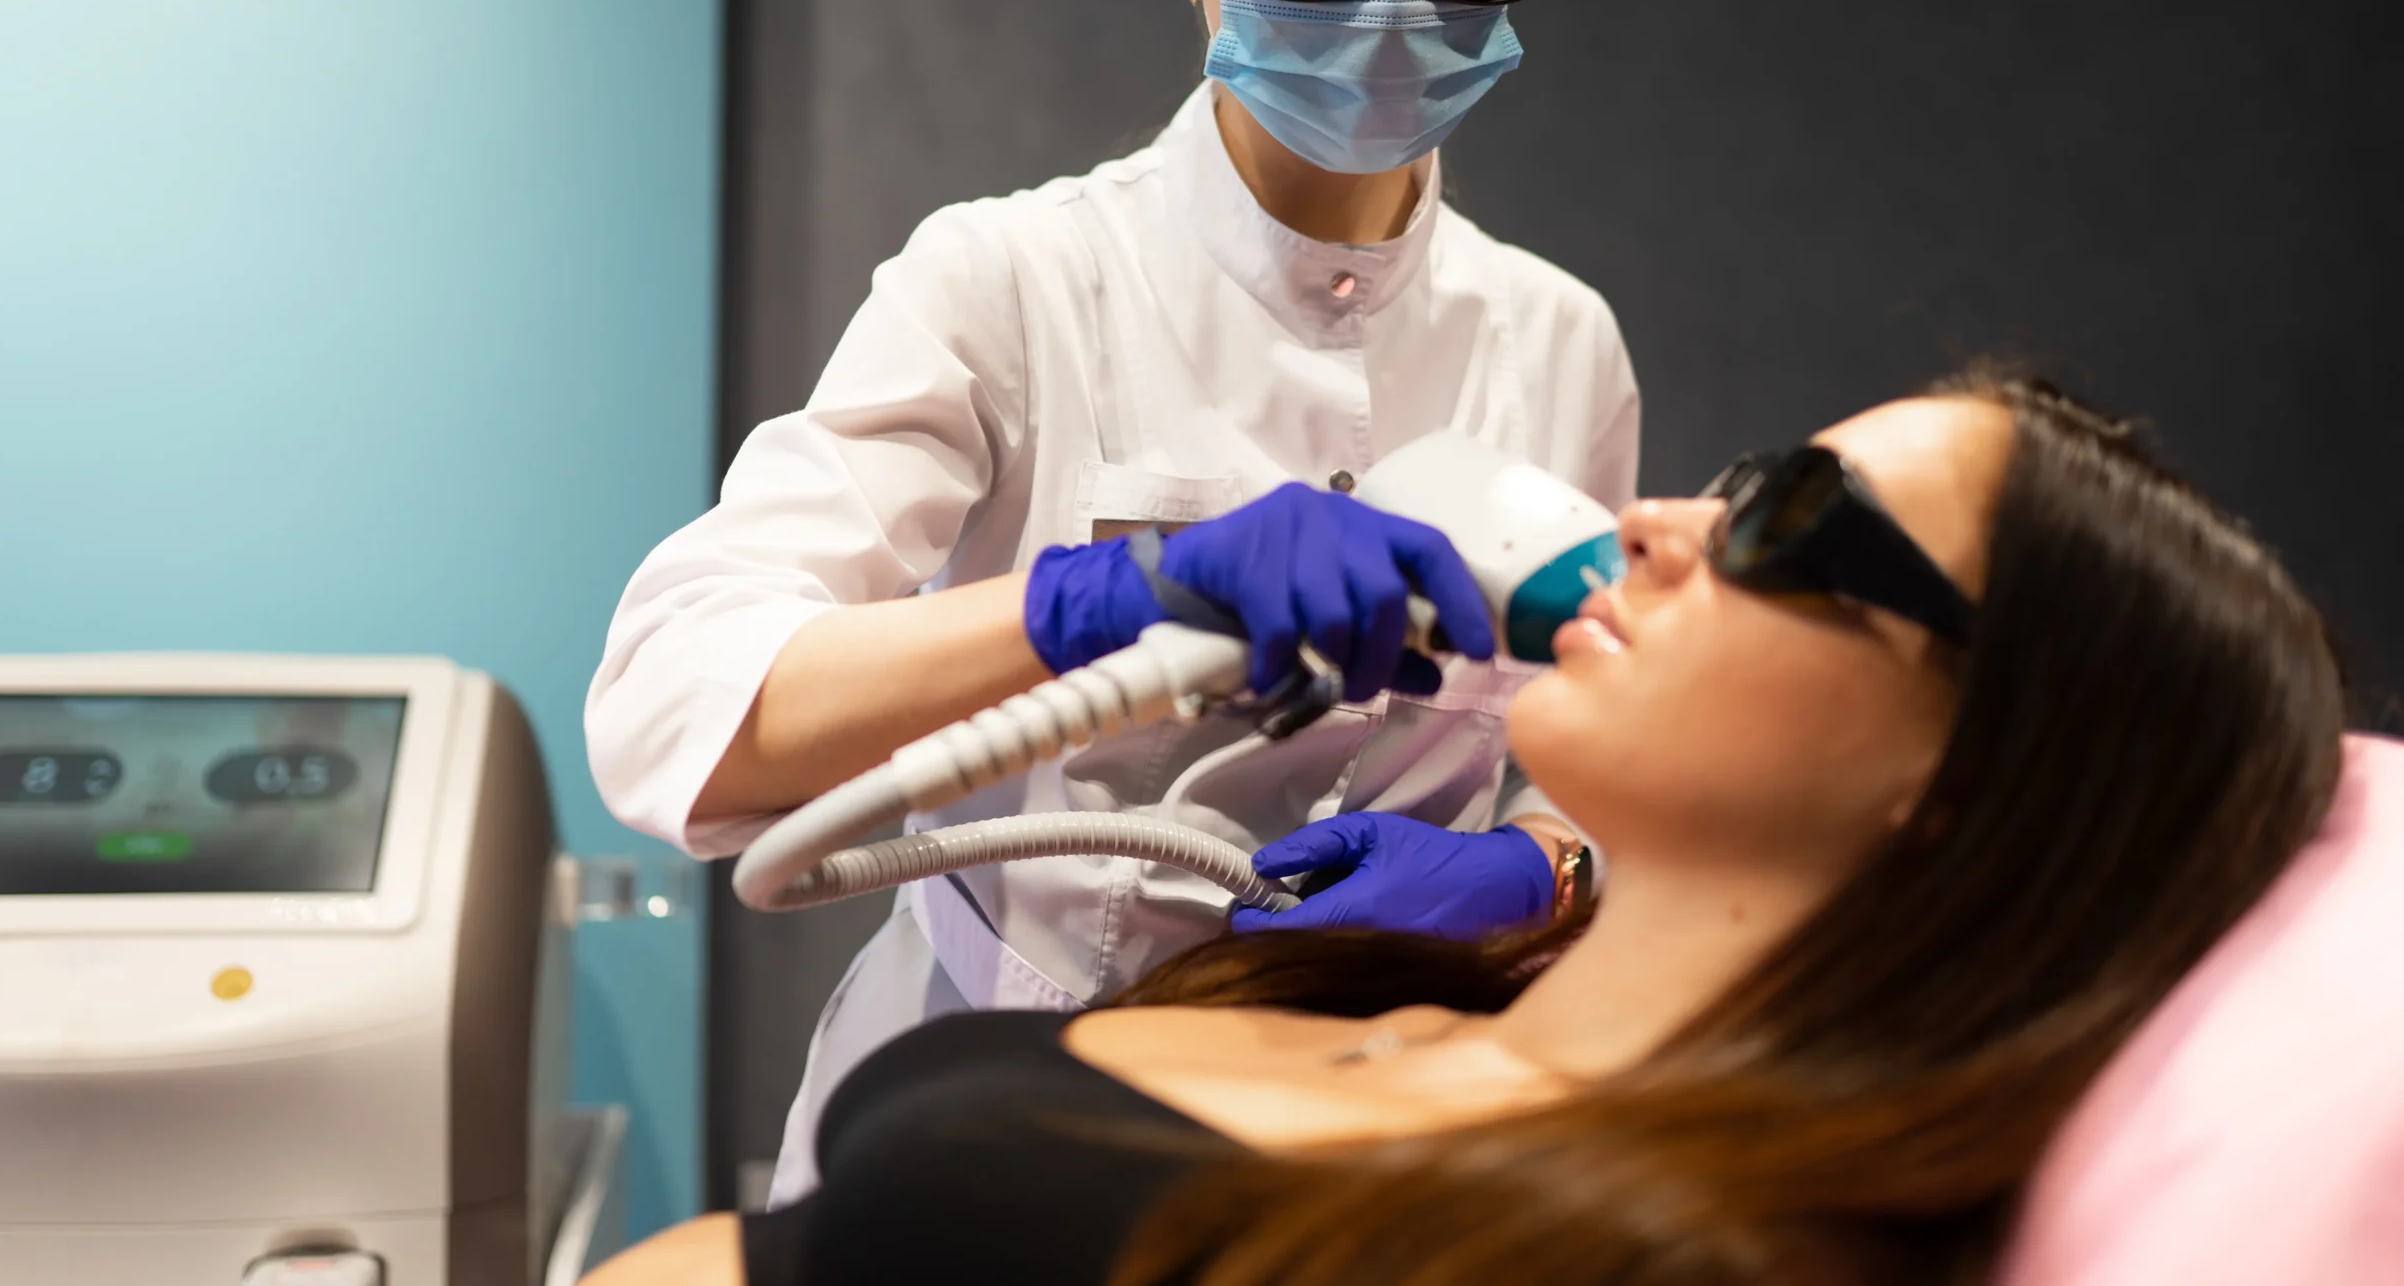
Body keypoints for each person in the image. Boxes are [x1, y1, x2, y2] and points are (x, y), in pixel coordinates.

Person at [585, 0, 1639, 1202]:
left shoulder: (1561, 343)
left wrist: (1530, 867)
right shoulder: (1009, 282)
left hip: (1366, 1132)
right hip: (984, 1125)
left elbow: (1605, 756)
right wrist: (1103, 605)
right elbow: (678, 713)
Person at [584, 374, 2348, 1285]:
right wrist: (1083, 606)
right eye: (1737, 480)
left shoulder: (1667, 1245)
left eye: (1794, 522)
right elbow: (674, 721)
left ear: (1978, 775)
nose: (1657, 524)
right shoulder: (1403, 994)